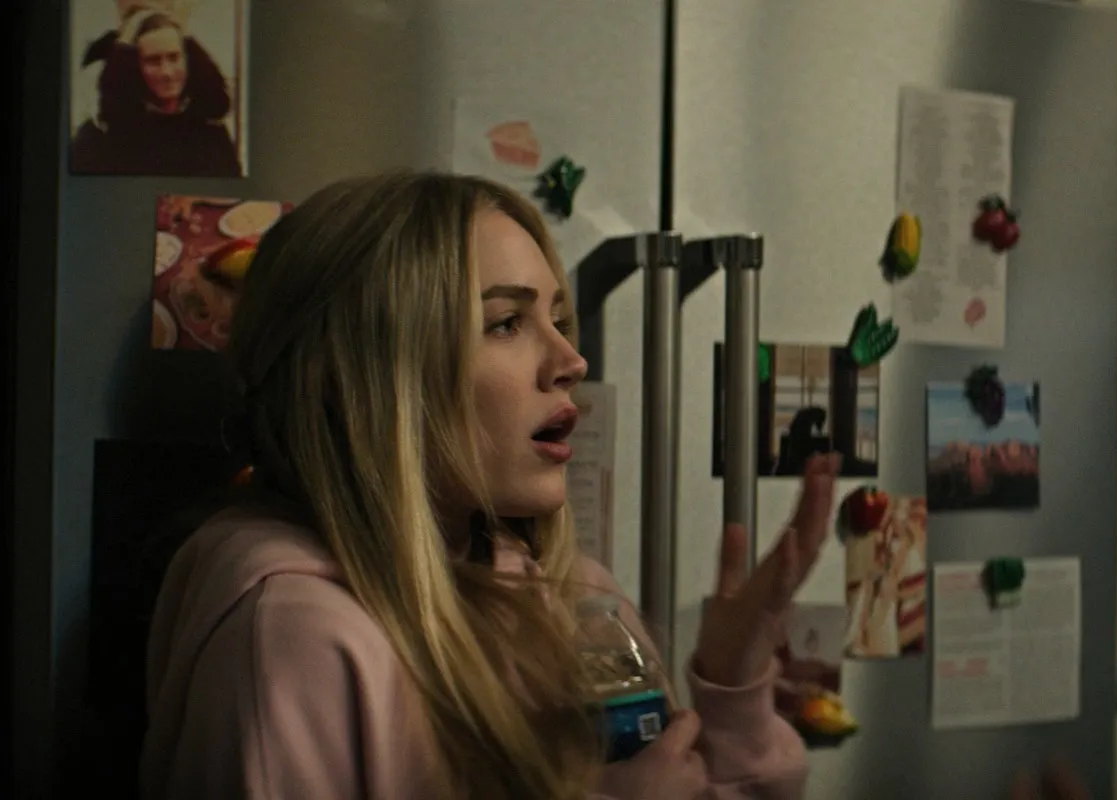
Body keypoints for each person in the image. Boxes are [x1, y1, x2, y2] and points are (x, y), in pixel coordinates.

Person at [141, 171, 836, 799]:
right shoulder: (294, 636)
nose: (571, 360)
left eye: (557, 320)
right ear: (366, 377)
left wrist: (734, 692)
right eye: (506, 323)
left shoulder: (580, 599)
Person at [72, 6, 242, 177]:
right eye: (153, 61)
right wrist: (125, 40)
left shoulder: (210, 131)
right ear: (133, 66)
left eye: (174, 58)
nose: (167, 72)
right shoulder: (100, 138)